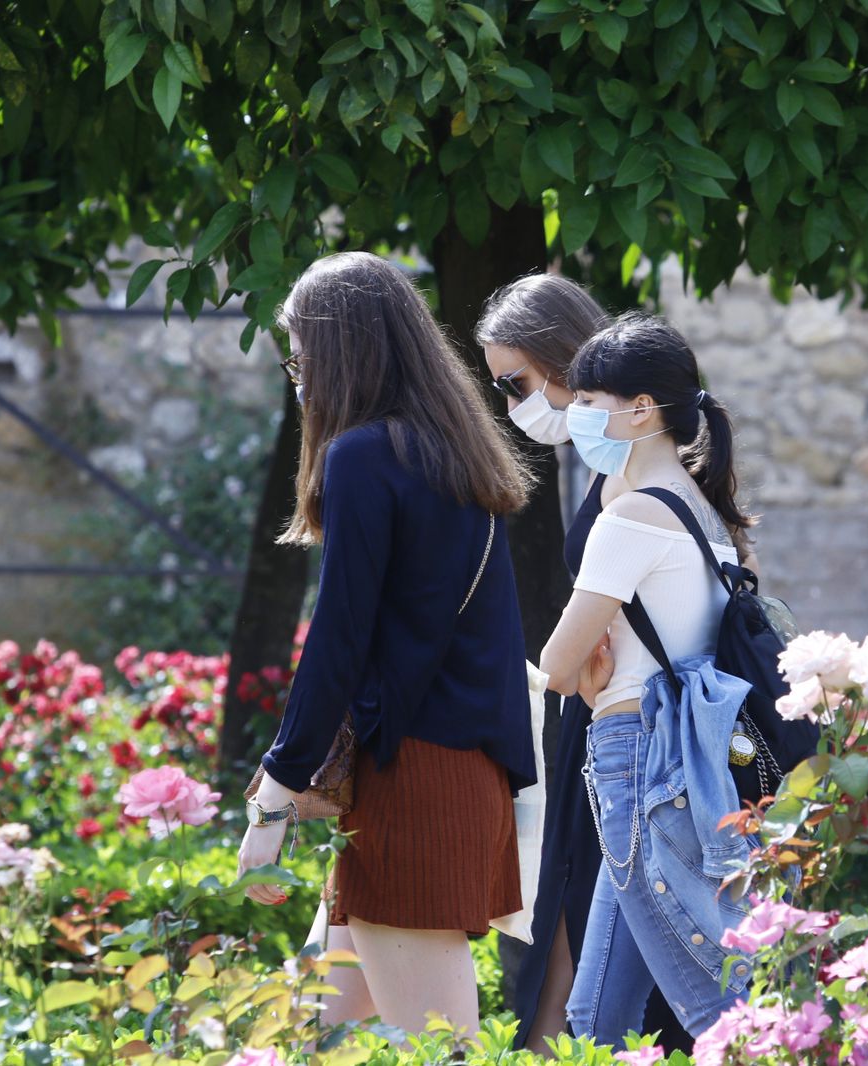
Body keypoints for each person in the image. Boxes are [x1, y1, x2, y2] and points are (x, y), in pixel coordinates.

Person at [235, 251, 538, 1035]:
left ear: (338, 350)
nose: (296, 373)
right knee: (297, 1031)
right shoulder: (453, 455)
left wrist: (274, 795)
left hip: (414, 788)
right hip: (456, 776)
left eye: (299, 352)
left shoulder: (365, 456)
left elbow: (338, 639)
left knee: (441, 1052)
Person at [475, 275, 693, 1055]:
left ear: (566, 360)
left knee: (599, 974)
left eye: (517, 383)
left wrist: (584, 670)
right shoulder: (632, 475)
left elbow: (569, 659)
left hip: (629, 738)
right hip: (624, 734)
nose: (512, 406)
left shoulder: (629, 490)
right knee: (596, 979)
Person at [539, 313, 759, 1043]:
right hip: (687, 761)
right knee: (595, 1014)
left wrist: (588, 676)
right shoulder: (709, 515)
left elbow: (559, 666)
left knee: (715, 1008)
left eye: (591, 402)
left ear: (643, 409)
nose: (577, 417)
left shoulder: (632, 514)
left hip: (637, 756)